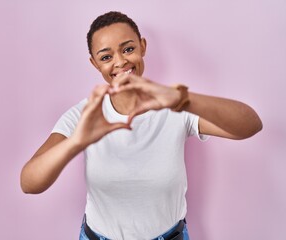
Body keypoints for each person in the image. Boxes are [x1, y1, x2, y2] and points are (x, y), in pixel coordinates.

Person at [20, 11, 262, 240]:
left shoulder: (174, 106)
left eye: (128, 49)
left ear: (142, 47)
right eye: (106, 57)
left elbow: (250, 125)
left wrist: (181, 98)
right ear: (95, 64)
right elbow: (29, 183)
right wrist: (76, 142)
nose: (120, 61)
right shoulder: (83, 115)